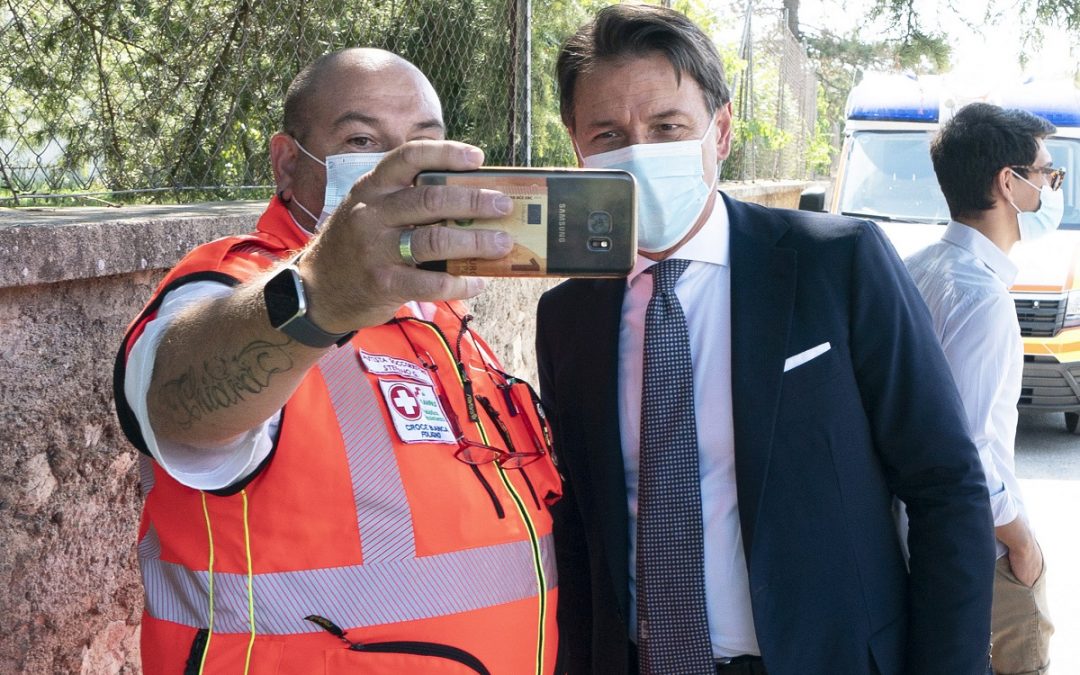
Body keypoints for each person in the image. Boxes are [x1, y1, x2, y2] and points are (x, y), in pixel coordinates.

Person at [535, 6, 995, 675]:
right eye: (609, 134)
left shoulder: (838, 264)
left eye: (668, 127)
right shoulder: (567, 316)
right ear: (577, 147)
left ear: (719, 132)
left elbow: (945, 484)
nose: (639, 150)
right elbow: (578, 523)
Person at [113, 48, 562, 675]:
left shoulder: (440, 314)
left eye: (423, 144)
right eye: (362, 138)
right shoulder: (233, 284)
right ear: (287, 164)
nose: (403, 169)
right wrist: (320, 296)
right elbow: (173, 405)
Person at [906, 102, 1056, 675]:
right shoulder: (981, 299)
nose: (1050, 191)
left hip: (928, 544)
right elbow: (965, 455)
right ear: (1008, 182)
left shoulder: (917, 268)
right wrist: (1022, 546)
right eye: (1046, 175)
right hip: (982, 551)